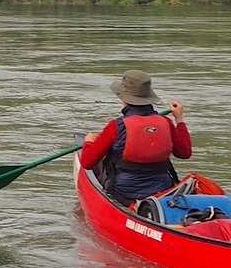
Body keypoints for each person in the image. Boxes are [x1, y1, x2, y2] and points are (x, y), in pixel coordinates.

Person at [81, 70, 192, 202]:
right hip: (163, 189)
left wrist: (89, 142)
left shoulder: (117, 126)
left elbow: (87, 162)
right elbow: (184, 153)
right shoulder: (166, 122)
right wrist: (179, 120)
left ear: (122, 97)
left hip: (124, 192)